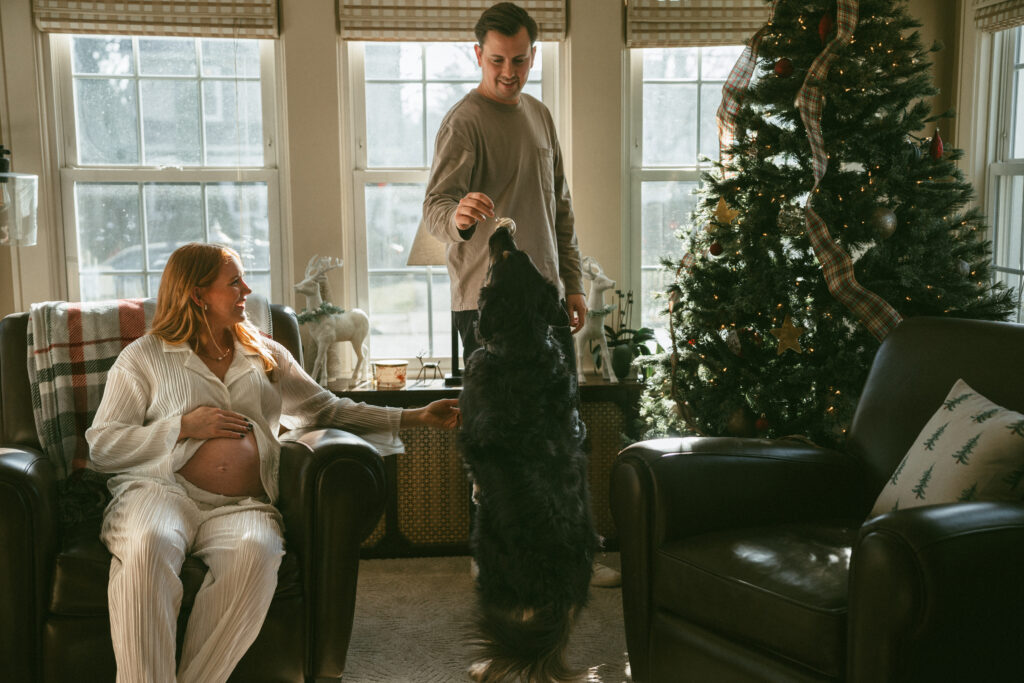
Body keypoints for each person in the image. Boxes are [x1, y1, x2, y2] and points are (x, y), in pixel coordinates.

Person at [85, 242, 459, 683]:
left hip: (245, 503)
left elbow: (327, 410)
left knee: (256, 554)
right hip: (160, 491)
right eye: (234, 282)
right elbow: (103, 446)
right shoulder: (144, 357)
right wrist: (181, 426)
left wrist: (415, 416)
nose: (247, 289)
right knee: (147, 545)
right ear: (197, 293)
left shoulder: (264, 353)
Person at [422, 1, 620, 589]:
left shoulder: (540, 114)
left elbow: (560, 208)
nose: (509, 71)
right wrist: (458, 215)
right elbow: (435, 210)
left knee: (560, 437)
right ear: (478, 55)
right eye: (498, 60)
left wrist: (574, 281)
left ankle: (574, 554)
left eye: (520, 59)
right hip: (487, 309)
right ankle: (497, 558)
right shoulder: (464, 121)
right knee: (497, 442)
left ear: (533, 55)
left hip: (547, 303)